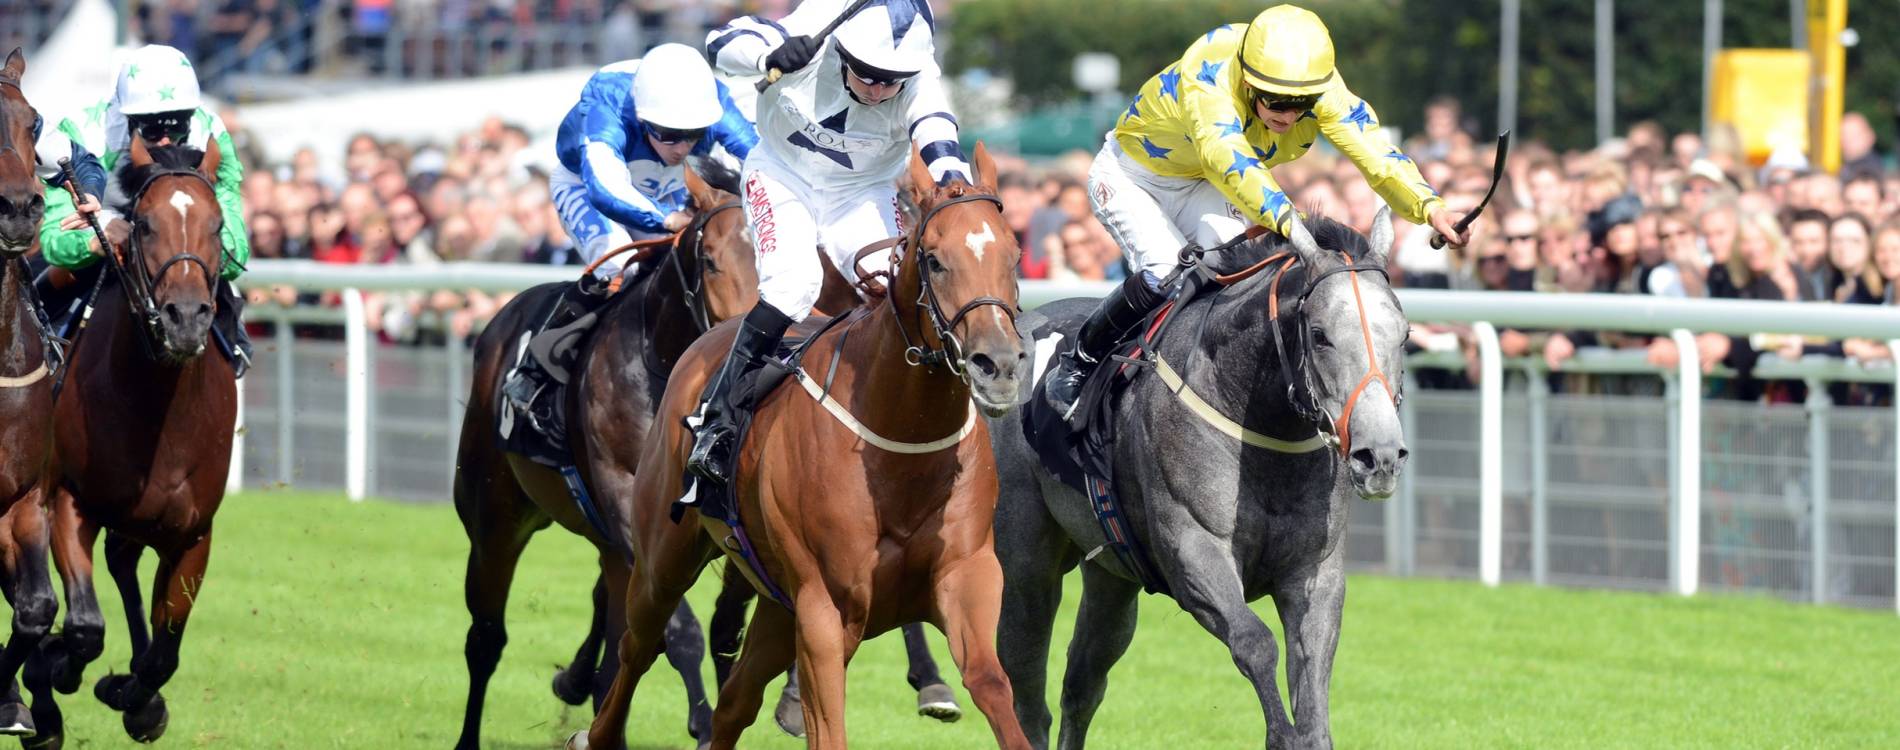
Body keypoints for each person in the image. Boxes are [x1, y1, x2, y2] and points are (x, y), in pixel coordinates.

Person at [1043, 4, 1467, 415]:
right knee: (1166, 273)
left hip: (1201, 183)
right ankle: (1080, 360)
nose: (1290, 115)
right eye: (1276, 102)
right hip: (1132, 177)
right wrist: (1291, 225)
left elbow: (1372, 148)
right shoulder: (1208, 71)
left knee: (1237, 278)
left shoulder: (1316, 84)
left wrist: (1430, 207)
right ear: (1247, 83)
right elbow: (1228, 160)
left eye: (1302, 105)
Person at [690, 0, 973, 481]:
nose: (880, 90)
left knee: (897, 287)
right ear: (843, 54)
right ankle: (716, 419)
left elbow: (938, 135)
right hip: (781, 175)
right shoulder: (815, 25)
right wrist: (769, 56)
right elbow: (719, 45)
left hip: (858, 193)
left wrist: (956, 183)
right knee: (792, 288)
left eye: (892, 81)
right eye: (868, 75)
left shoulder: (919, 76)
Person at [500, 43, 759, 424]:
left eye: (693, 134)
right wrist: (667, 222)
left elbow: (761, 158)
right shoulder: (608, 107)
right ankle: (535, 370)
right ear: (642, 118)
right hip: (587, 186)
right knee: (622, 264)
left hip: (665, 188)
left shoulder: (714, 102)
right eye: (671, 135)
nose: (683, 146)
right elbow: (605, 188)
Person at [37, 44, 253, 375]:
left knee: (224, 311)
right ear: (126, 117)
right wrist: (95, 240)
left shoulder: (210, 130)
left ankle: (234, 361)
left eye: (178, 125)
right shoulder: (82, 132)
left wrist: (199, 246)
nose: (166, 141)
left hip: (177, 242)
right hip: (103, 225)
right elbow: (54, 240)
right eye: (152, 129)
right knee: (35, 304)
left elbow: (235, 243)